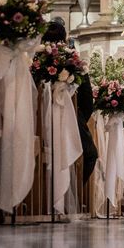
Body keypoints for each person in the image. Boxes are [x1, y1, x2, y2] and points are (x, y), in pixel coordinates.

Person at [41, 20, 98, 184]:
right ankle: (75, 193)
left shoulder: (35, 61)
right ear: (64, 39)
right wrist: (78, 119)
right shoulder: (73, 62)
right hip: (69, 119)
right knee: (90, 155)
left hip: (34, 121)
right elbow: (87, 100)